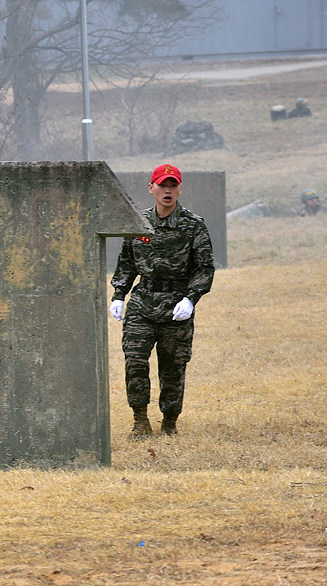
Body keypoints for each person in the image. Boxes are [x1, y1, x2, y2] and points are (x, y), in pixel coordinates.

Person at [109, 164, 215, 438]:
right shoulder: (139, 223)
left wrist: (191, 299)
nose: (167, 191)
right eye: (162, 185)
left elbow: (204, 268)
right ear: (151, 188)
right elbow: (127, 262)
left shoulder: (193, 225)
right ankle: (140, 421)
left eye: (173, 186)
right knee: (135, 362)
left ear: (180, 189)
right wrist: (119, 294)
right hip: (142, 304)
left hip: (176, 305)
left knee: (172, 366)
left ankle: (169, 422)